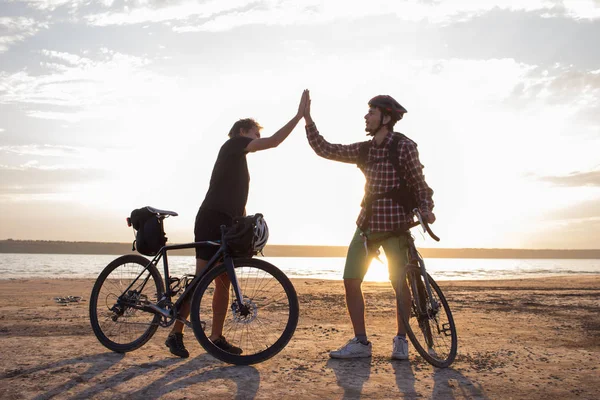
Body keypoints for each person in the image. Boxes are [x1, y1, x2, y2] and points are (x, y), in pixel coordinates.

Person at [165, 90, 309, 358]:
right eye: (255, 133)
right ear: (243, 131)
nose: (257, 139)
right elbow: (275, 141)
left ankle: (217, 338)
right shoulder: (232, 145)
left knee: (223, 281)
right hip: (211, 219)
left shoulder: (237, 157)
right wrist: (299, 116)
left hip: (226, 224)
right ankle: (175, 334)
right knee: (200, 280)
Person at [303, 91, 435, 360]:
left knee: (400, 283)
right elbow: (327, 149)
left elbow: (420, 185)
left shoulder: (404, 146)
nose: (366, 116)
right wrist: (308, 120)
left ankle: (401, 340)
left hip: (396, 225)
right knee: (350, 280)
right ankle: (360, 342)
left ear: (386, 117)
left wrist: (426, 210)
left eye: (372, 112)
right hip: (366, 225)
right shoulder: (364, 149)